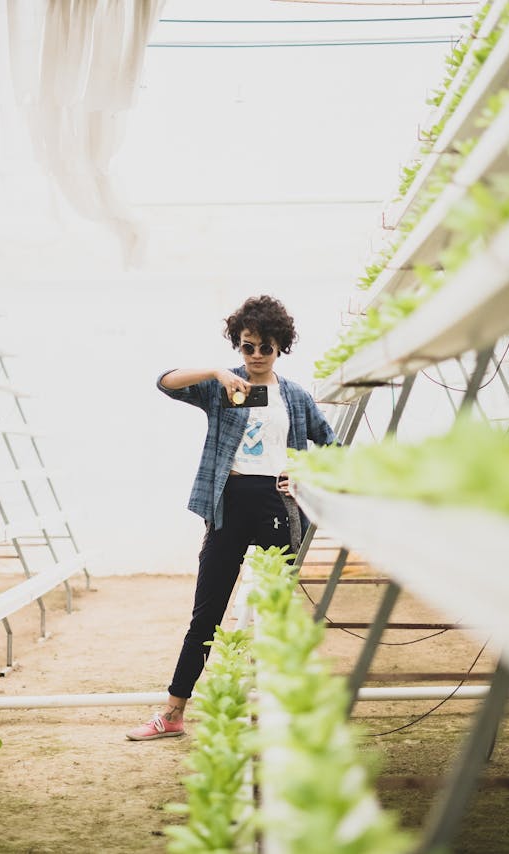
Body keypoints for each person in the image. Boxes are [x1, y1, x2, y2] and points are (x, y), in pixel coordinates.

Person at [126, 295, 337, 741]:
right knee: (207, 614)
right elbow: (165, 382)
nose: (256, 356)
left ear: (281, 347)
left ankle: (292, 716)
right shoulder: (226, 387)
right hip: (228, 506)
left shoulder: (295, 397)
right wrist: (215, 373)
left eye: (266, 347)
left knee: (279, 615)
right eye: (247, 346)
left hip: (277, 508)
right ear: (238, 345)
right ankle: (173, 712)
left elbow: (331, 446)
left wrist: (302, 472)